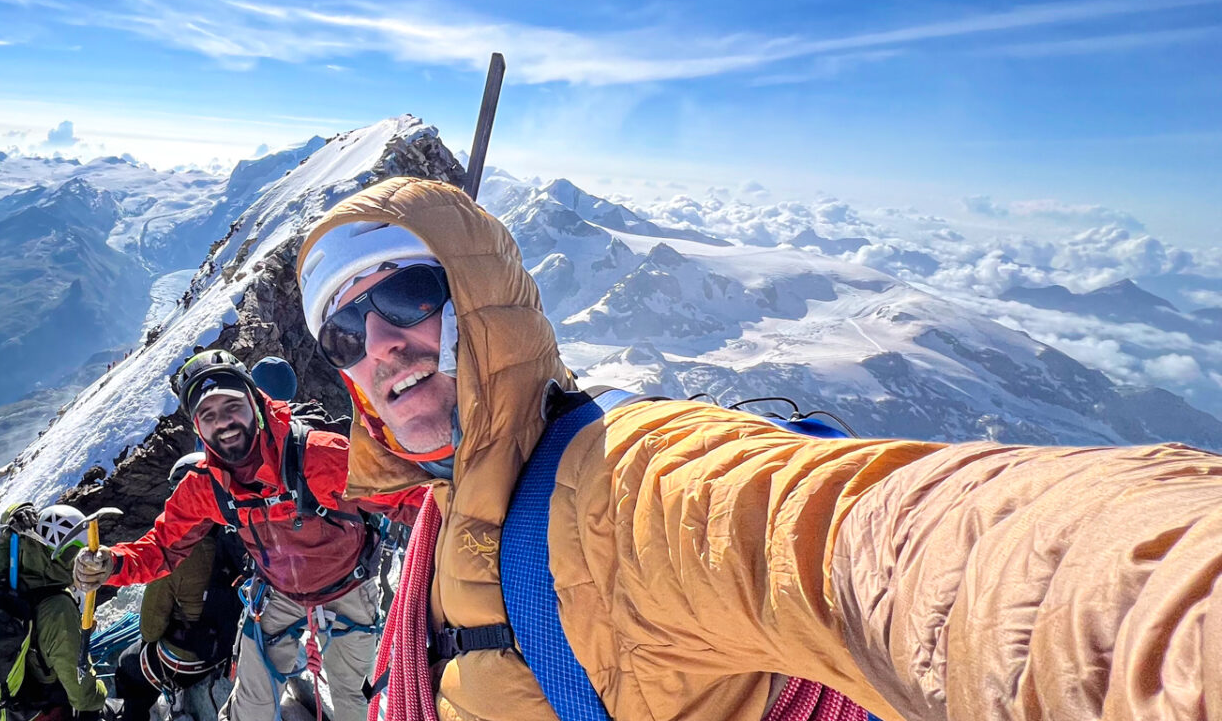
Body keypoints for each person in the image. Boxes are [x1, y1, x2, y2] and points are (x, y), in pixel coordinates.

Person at [295, 176, 1222, 721]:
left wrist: (1168, 608)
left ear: (479, 306)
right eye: (344, 333)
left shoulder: (631, 482)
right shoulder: (451, 509)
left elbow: (867, 545)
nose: (379, 345)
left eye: (407, 298)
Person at [72, 351, 426, 721]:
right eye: (208, 416)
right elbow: (163, 547)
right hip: (280, 593)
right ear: (197, 428)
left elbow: (409, 499)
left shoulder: (319, 457)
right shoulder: (206, 487)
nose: (223, 423)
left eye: (231, 406)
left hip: (349, 588)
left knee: (355, 702)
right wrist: (113, 564)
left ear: (255, 402)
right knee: (250, 707)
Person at [114, 453, 248, 721]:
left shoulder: (175, 554)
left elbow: (150, 630)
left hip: (189, 658)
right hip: (232, 644)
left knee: (127, 666)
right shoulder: (242, 535)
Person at [0, 503, 109, 721]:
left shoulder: (3, 576)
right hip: (33, 708)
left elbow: (6, 537)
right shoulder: (57, 609)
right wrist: (99, 693)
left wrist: (18, 510)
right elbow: (82, 693)